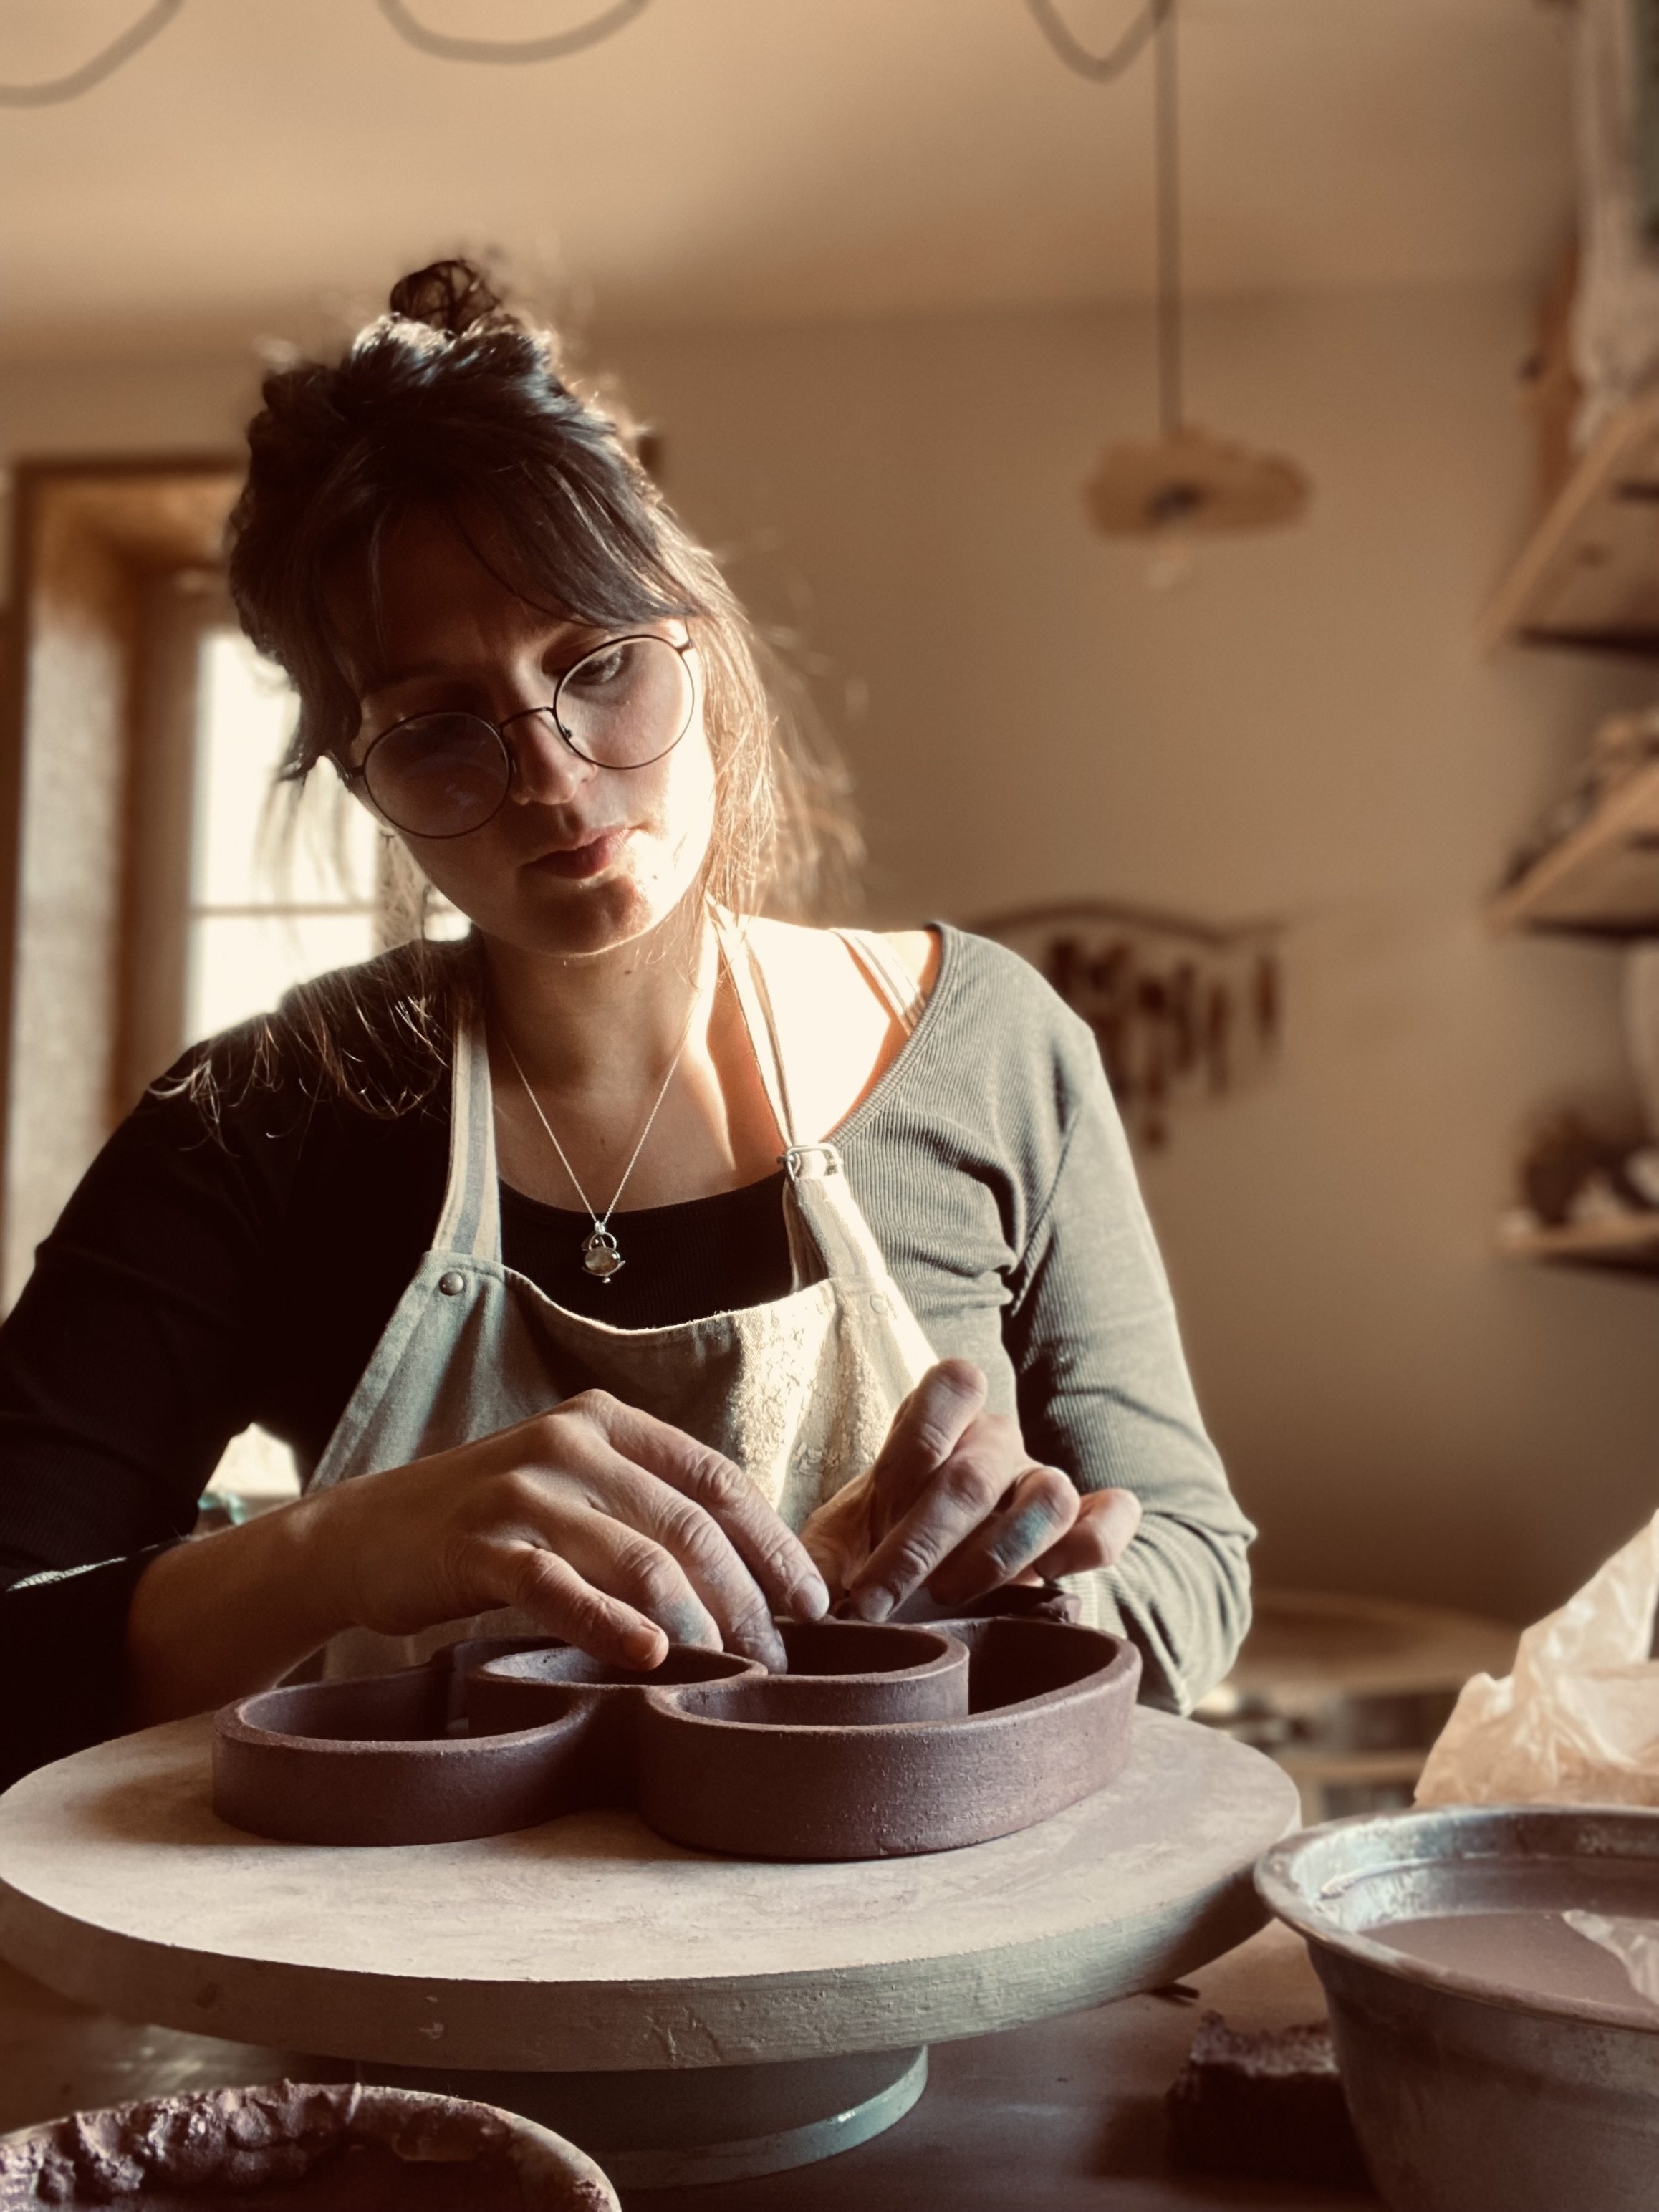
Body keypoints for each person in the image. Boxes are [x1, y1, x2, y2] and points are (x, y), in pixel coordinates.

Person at [0, 263, 1253, 1792]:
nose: (551, 773)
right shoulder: (261, 1118)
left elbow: (1194, 1561)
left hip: (911, 1977)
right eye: (440, 726)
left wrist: (1011, 1597)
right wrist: (334, 1548)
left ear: (698, 649)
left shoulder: (988, 1046)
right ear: (365, 783)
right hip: (409, 2011)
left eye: (595, 663)